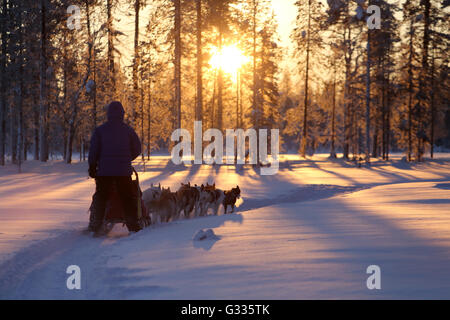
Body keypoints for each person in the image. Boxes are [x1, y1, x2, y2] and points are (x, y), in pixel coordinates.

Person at [87, 101, 142, 235]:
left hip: (104, 172)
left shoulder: (100, 131)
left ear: (108, 114)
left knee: (101, 197)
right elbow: (138, 148)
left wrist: (93, 166)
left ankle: (96, 225)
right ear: (122, 114)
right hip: (123, 172)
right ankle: (133, 226)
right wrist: (127, 159)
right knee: (127, 198)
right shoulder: (128, 130)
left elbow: (93, 150)